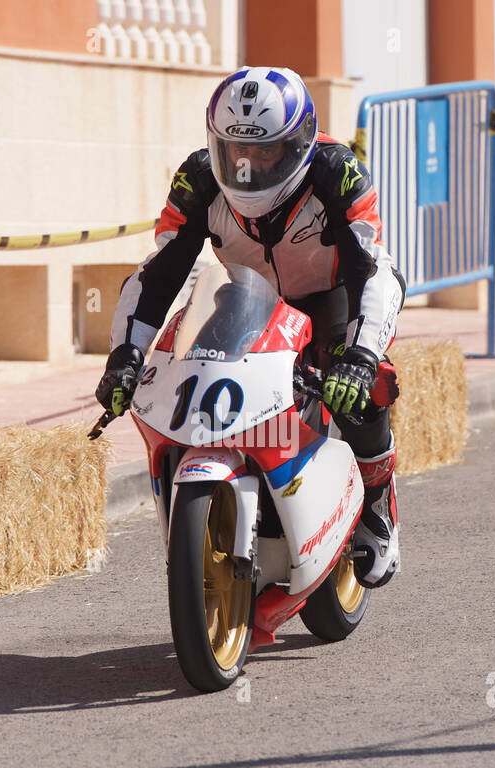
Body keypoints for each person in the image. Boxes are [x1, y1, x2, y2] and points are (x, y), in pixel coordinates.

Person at [95, 66, 405, 587]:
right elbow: (161, 272)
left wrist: (361, 354)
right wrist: (126, 354)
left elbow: (371, 269)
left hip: (333, 295)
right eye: (236, 151)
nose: (248, 168)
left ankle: (377, 503)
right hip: (245, 294)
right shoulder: (196, 178)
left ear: (299, 145)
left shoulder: (339, 172)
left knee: (364, 389)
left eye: (266, 154)